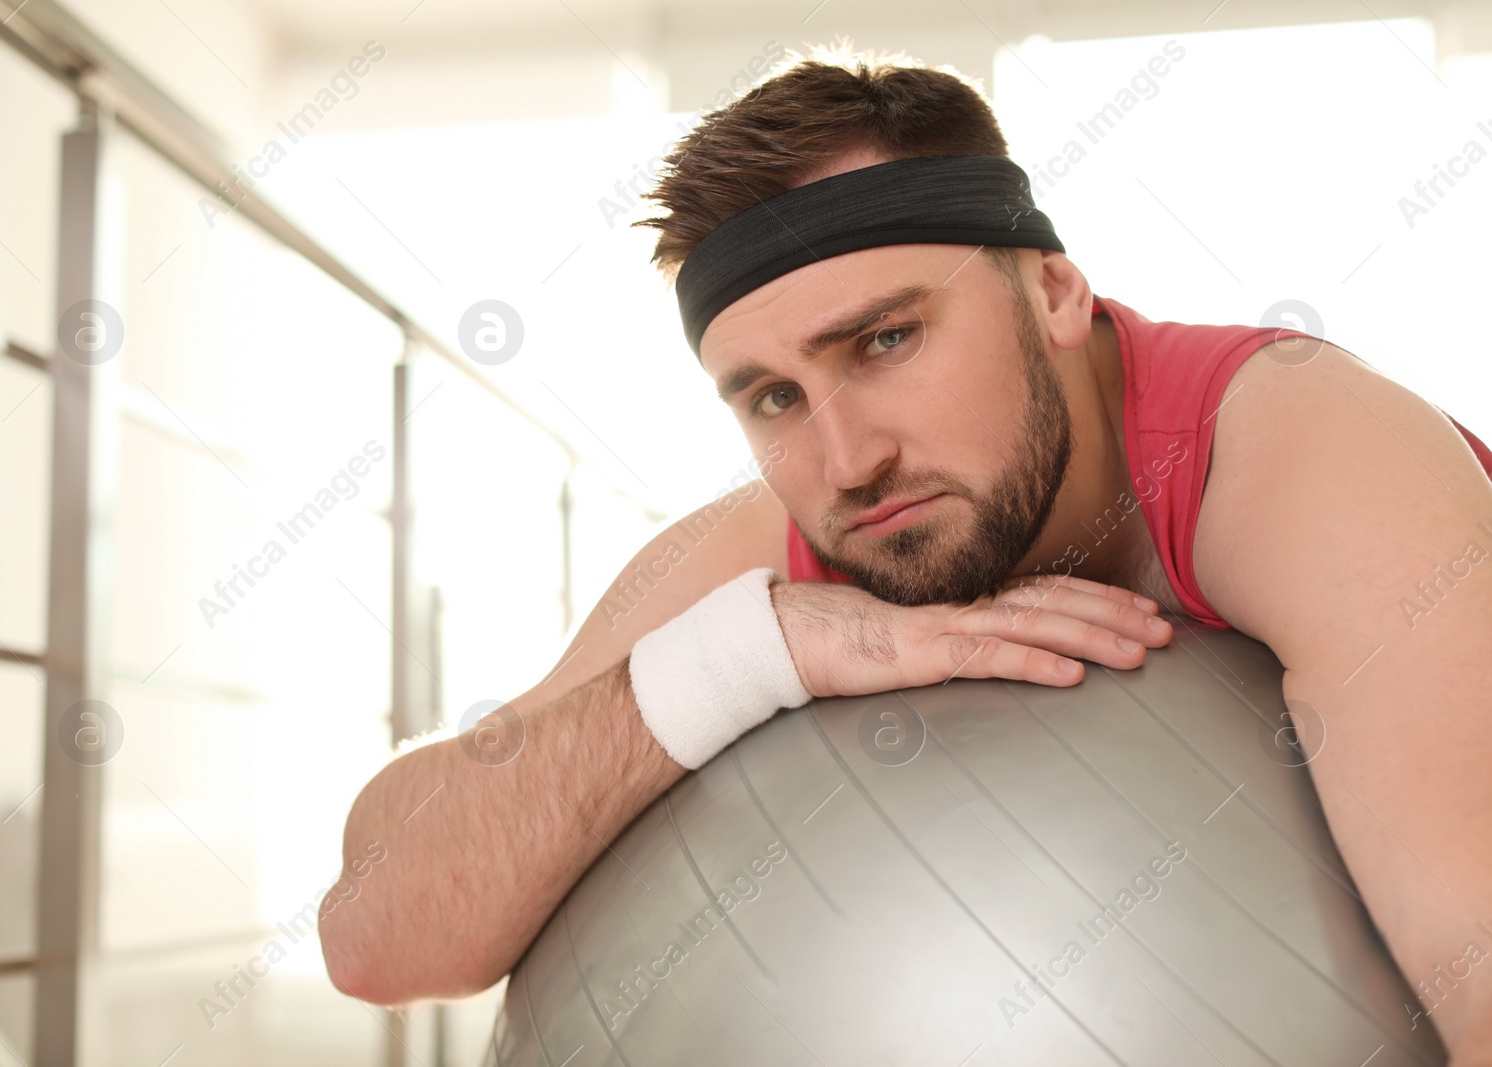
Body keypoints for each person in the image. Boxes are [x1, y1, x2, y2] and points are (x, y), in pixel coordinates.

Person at [320, 47, 1492, 1060]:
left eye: (885, 338)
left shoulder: (1297, 453)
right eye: (774, 395)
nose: (847, 459)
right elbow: (376, 930)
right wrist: (739, 655)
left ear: (1052, 291)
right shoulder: (779, 550)